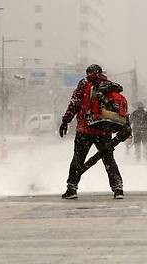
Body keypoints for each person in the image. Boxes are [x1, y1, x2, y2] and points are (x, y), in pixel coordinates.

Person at [59, 64, 124, 200]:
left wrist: (65, 121)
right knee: (109, 160)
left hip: (85, 129)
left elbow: (74, 104)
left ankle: (72, 189)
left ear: (88, 73)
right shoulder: (110, 85)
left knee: (77, 159)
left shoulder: (84, 84)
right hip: (103, 130)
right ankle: (118, 188)